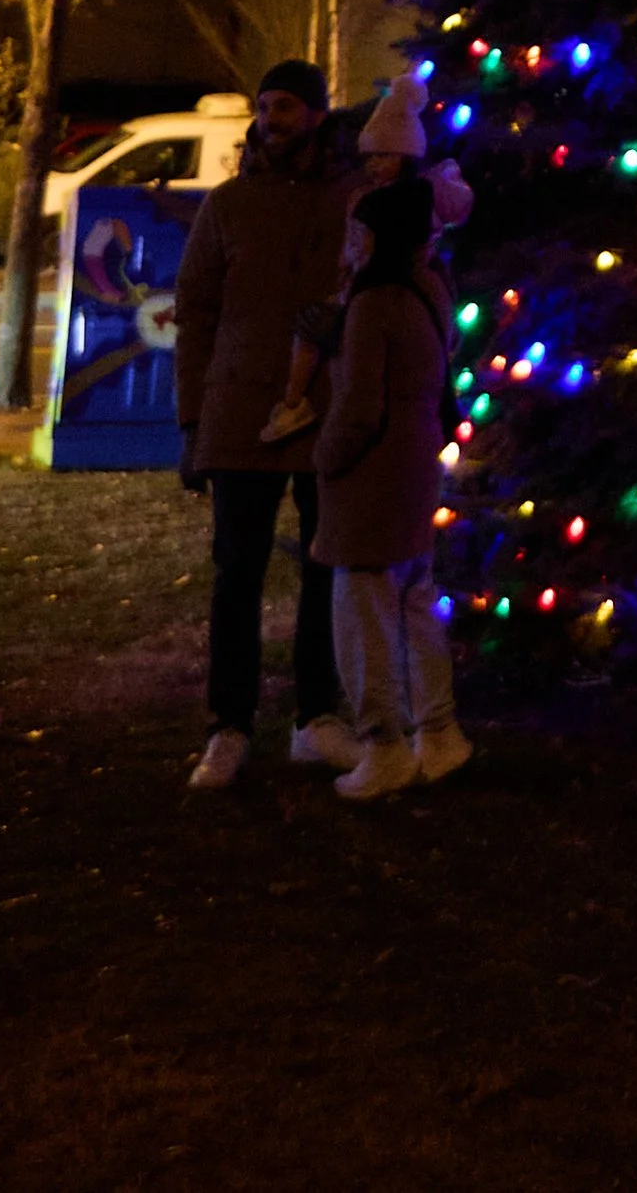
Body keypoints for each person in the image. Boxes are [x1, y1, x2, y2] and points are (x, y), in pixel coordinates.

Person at [172, 58, 366, 789]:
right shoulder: (227, 206)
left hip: (327, 414)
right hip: (239, 413)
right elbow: (195, 315)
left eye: (286, 106)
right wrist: (193, 420)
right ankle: (229, 725)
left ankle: (317, 717)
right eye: (264, 107)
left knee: (326, 569)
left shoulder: (352, 201)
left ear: (317, 115)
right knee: (236, 575)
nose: (271, 120)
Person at [314, 166, 470, 801]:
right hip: (416, 471)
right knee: (415, 602)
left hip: (370, 480)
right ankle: (439, 731)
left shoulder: (372, 305)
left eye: (360, 231)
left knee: (363, 612)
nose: (351, 241)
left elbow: (357, 407)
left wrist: (325, 455)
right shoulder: (429, 288)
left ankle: (384, 747)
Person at [260, 67, 468, 445]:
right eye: (368, 157)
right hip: (359, 284)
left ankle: (294, 403)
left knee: (324, 337)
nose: (372, 165)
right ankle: (294, 401)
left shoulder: (413, 198)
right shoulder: (365, 196)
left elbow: (447, 207)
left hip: (375, 286)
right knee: (319, 335)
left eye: (382, 156)